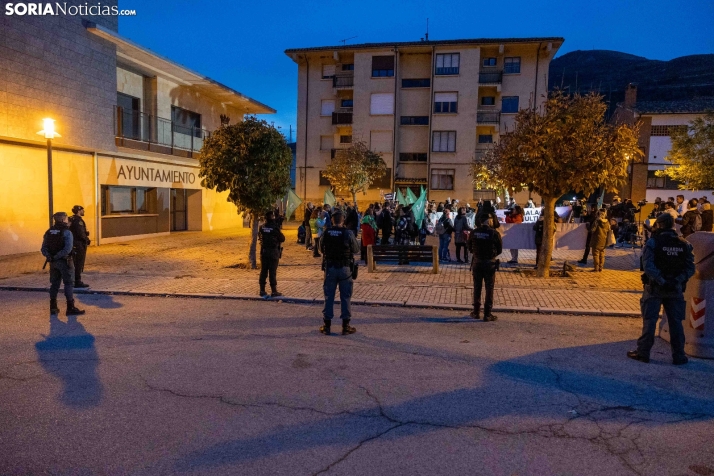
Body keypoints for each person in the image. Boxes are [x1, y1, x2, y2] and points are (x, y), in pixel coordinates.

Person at [627, 213, 695, 365]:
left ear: (659, 224)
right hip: (675, 289)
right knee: (676, 323)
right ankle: (679, 356)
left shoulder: (653, 243)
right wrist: (676, 281)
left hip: (655, 288)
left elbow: (648, 267)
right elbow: (691, 268)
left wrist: (662, 281)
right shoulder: (684, 243)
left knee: (650, 321)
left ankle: (643, 353)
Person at [319, 211, 360, 335]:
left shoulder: (326, 233)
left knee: (328, 296)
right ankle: (345, 326)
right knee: (346, 297)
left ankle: (327, 326)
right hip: (345, 268)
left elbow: (321, 248)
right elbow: (356, 249)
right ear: (343, 220)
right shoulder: (348, 233)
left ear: (332, 220)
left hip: (330, 268)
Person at [41, 212, 84, 316]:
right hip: (65, 261)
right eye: (66, 219)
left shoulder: (49, 231)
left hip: (53, 263)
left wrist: (50, 257)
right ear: (62, 220)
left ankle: (53, 307)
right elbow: (67, 249)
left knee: (54, 284)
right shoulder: (66, 232)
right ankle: (70, 307)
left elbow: (43, 248)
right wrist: (57, 256)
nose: (67, 220)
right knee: (68, 283)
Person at [467, 213, 503, 321]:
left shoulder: (474, 232)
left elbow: (469, 247)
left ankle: (476, 312)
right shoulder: (494, 233)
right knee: (489, 288)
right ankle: (487, 314)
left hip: (477, 262)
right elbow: (500, 249)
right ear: (489, 221)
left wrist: (477, 254)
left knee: (477, 287)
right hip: (489, 264)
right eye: (491, 220)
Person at [258, 210, 286, 297]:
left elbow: (260, 237)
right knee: (272, 272)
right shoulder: (275, 228)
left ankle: (262, 290)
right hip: (273, 252)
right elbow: (282, 238)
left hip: (264, 251)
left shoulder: (261, 227)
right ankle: (274, 291)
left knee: (263, 271)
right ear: (272, 217)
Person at [69, 205, 90, 289]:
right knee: (78, 263)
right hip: (78, 244)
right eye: (82, 210)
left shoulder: (71, 219)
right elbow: (80, 233)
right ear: (78, 211)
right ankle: (77, 281)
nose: (83, 211)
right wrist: (86, 239)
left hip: (72, 244)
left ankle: (72, 280)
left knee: (74, 263)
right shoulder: (78, 221)